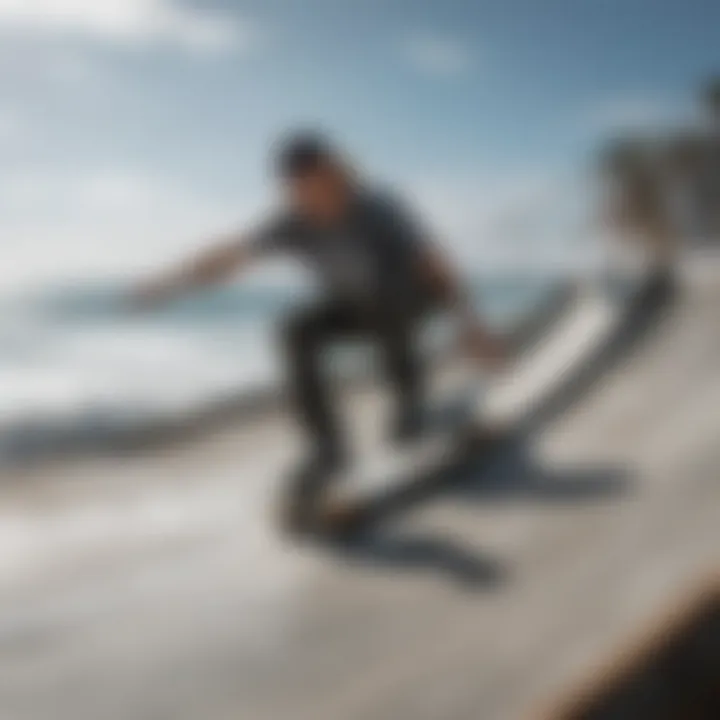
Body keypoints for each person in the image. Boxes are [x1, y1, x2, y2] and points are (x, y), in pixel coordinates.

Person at [134, 132, 504, 526]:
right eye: (306, 189)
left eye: (327, 182)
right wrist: (167, 284)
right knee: (295, 328)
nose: (321, 198)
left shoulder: (378, 208)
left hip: (413, 300)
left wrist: (470, 325)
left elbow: (434, 266)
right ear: (292, 190)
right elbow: (228, 256)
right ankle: (328, 447)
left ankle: (410, 406)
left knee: (385, 301)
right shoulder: (291, 222)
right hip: (357, 309)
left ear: (340, 173)